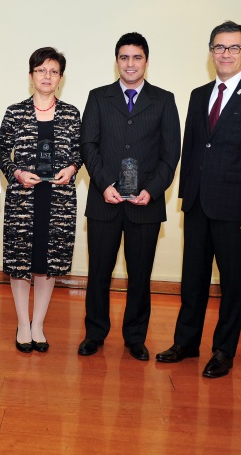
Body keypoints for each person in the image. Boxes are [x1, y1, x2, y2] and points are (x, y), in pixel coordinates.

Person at [156, 21, 241, 378]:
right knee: (192, 279)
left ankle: (224, 351)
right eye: (219, 47)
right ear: (211, 52)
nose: (225, 54)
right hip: (197, 205)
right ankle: (186, 343)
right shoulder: (199, 95)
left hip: (237, 210)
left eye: (233, 48)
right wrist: (185, 198)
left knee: (230, 285)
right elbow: (193, 148)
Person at [78, 33, 181, 360]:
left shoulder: (164, 100)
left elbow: (171, 154)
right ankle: (95, 333)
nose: (130, 63)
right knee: (98, 273)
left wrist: (152, 190)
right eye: (124, 57)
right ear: (117, 61)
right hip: (103, 201)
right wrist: (104, 183)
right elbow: (88, 145)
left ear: (146, 61)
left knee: (140, 275)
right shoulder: (98, 98)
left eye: (137, 57)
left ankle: (135, 337)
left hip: (145, 206)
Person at [0, 47, 81, 353]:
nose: (47, 76)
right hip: (23, 199)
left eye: (53, 71)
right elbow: (0, 152)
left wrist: (72, 168)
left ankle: (38, 325)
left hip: (58, 200)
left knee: (48, 263)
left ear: (60, 78)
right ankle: (22, 324)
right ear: (31, 75)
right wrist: (16, 172)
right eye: (41, 70)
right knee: (21, 262)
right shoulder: (14, 112)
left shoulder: (72, 113)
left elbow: (79, 154)